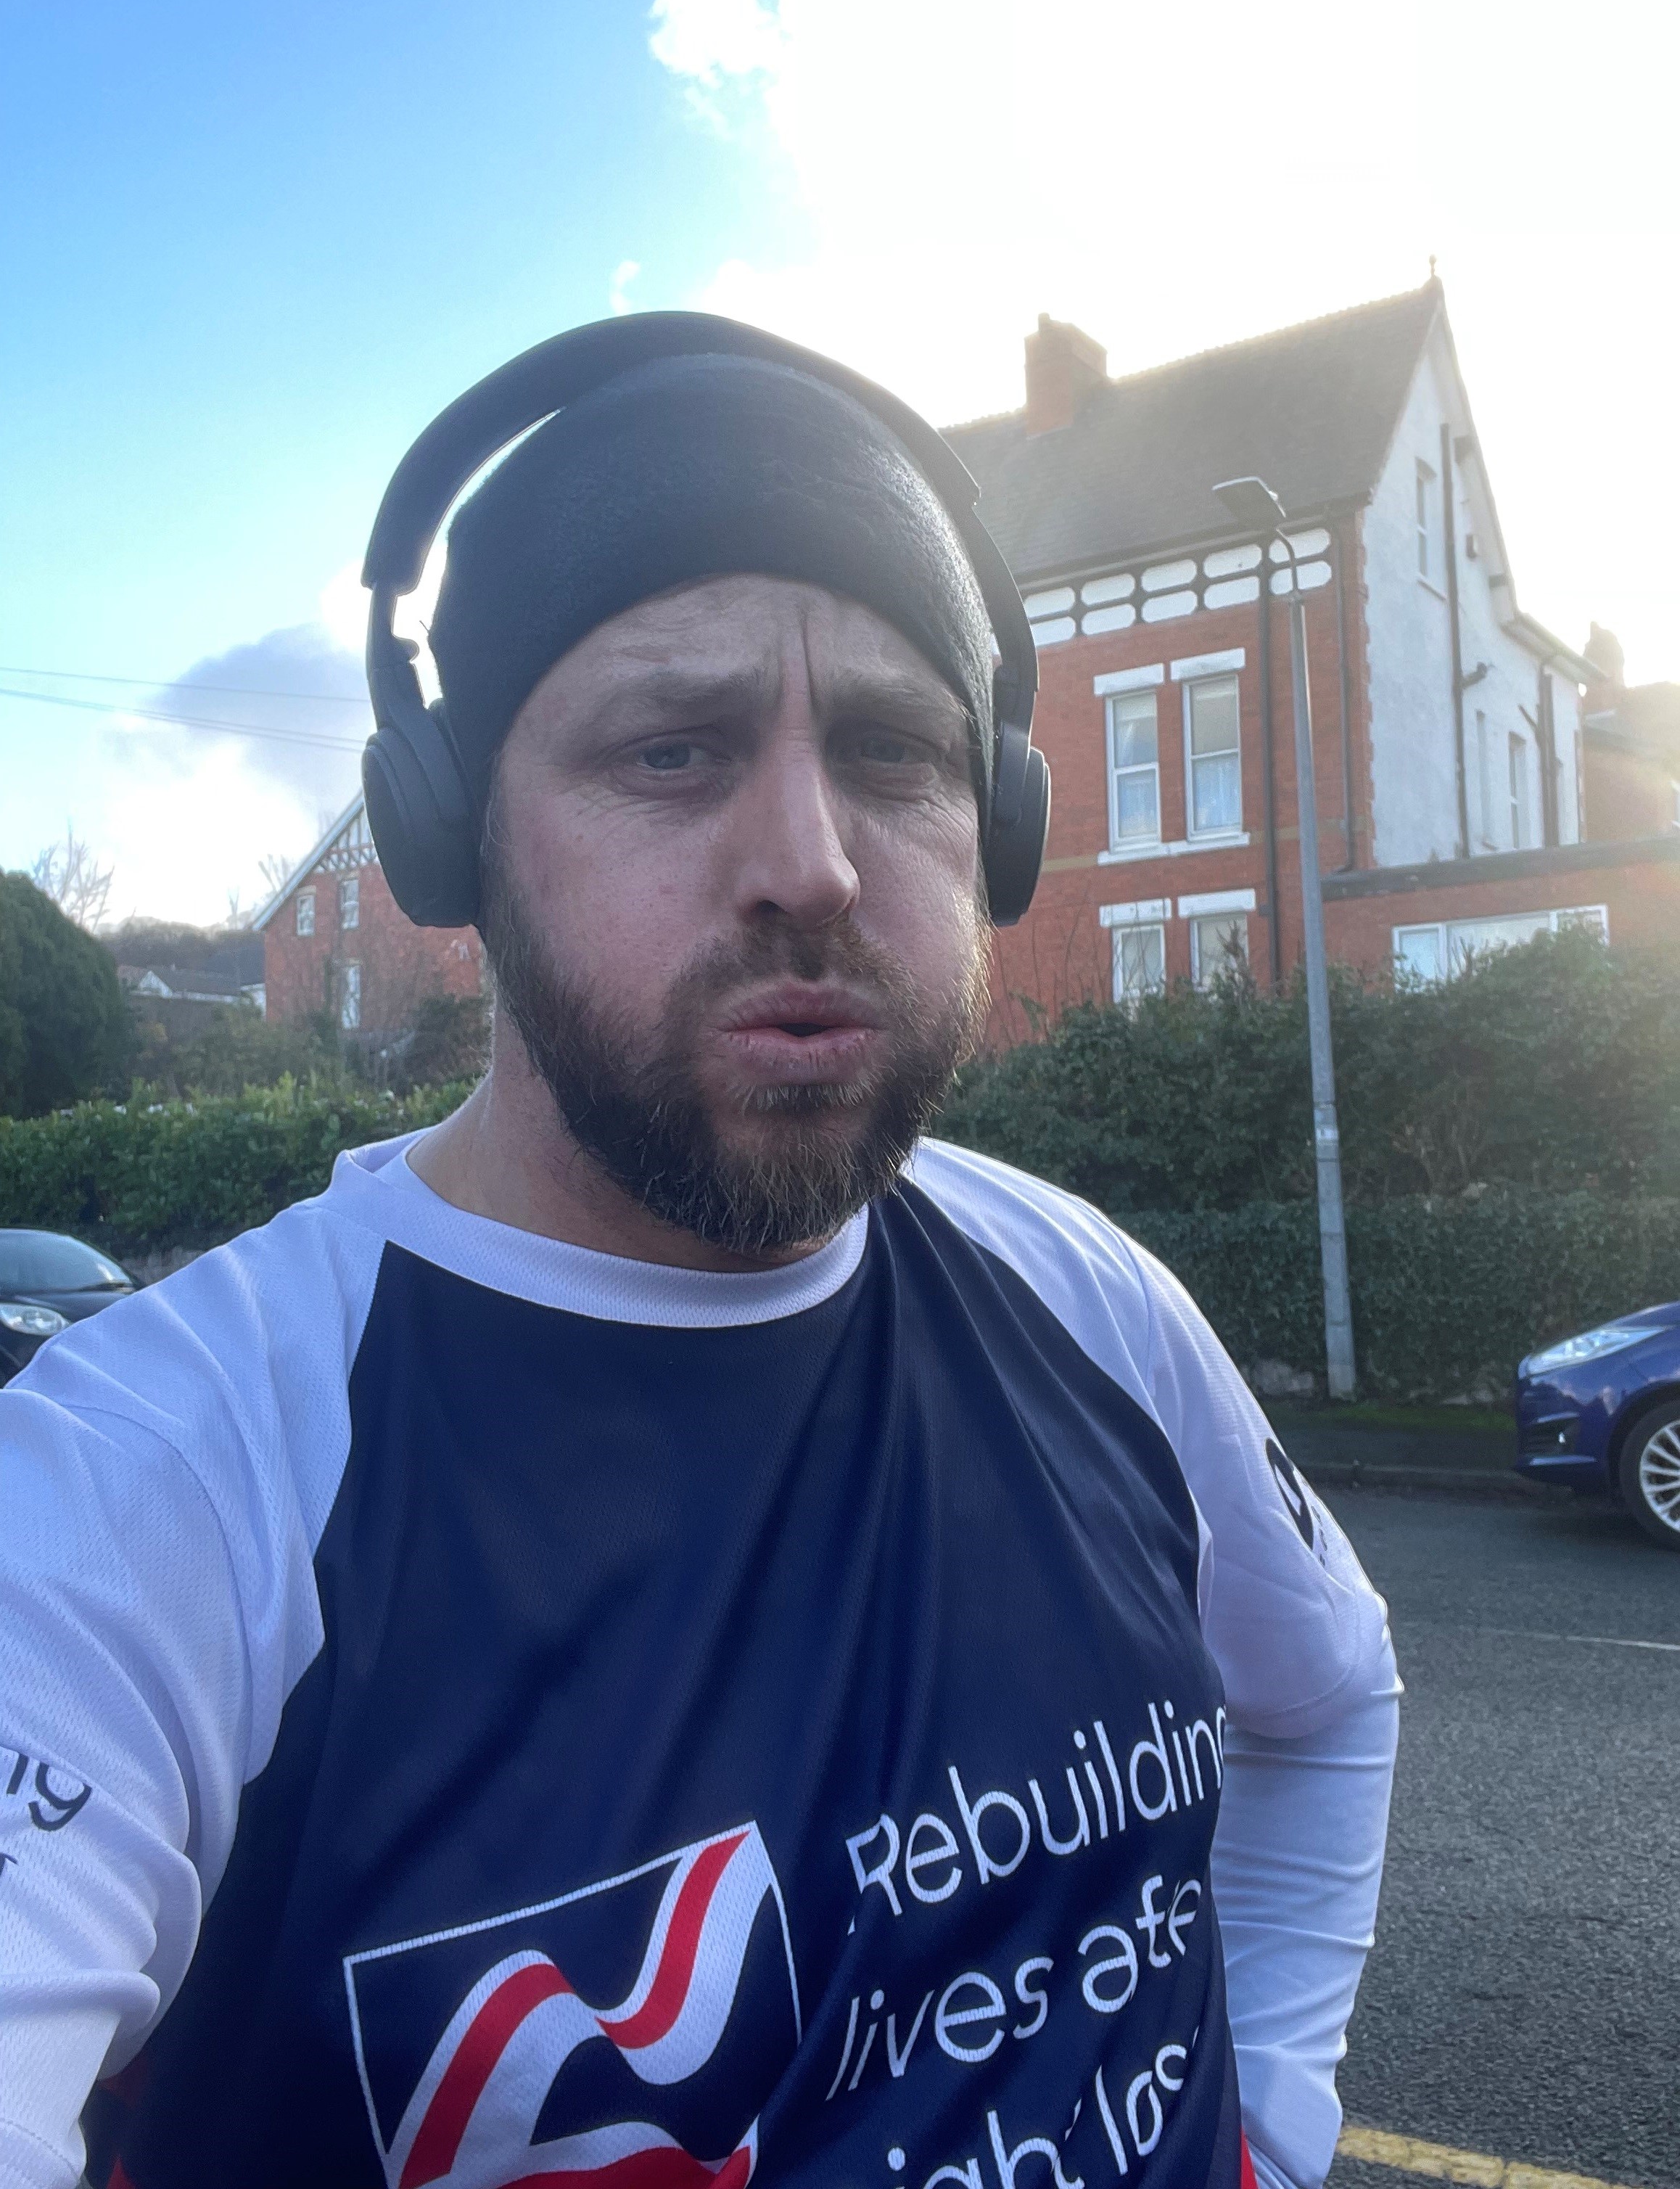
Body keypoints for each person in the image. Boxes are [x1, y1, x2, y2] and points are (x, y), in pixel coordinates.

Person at [0, 317, 1399, 2189]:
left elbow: (1331, 1701)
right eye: (672, 748)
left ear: (995, 826)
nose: (811, 861)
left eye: (897, 752)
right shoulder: (153, 1491)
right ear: (448, 845)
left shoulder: (1080, 1289)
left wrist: (1279, 2125)